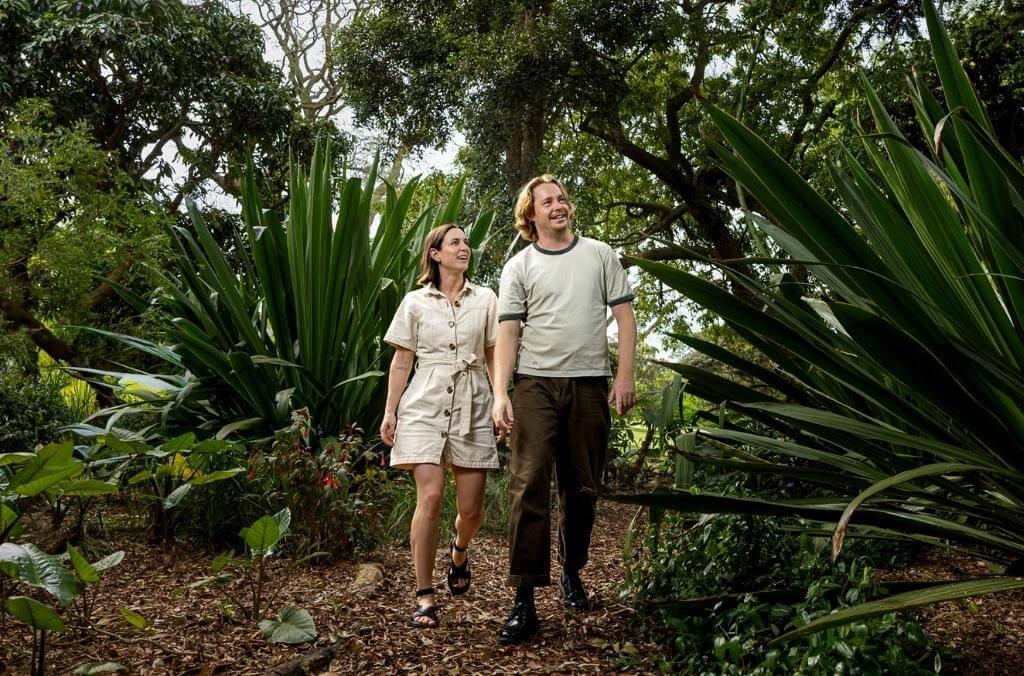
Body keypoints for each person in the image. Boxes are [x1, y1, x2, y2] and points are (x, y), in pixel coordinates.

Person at [491, 175, 637, 645]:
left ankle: (572, 570)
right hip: (534, 385)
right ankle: (524, 600)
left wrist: (625, 375)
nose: (558, 205)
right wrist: (500, 392)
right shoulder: (518, 267)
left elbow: (624, 318)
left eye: (562, 198)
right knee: (527, 485)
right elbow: (508, 333)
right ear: (530, 215)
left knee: (582, 490)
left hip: (590, 384)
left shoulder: (600, 254)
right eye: (547, 201)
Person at [380, 223, 501, 629]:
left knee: (471, 510)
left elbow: (492, 355)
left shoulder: (486, 299)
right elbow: (401, 361)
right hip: (424, 404)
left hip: (472, 403)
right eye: (455, 243)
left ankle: (460, 550)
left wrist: (502, 398)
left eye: (466, 242)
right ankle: (424, 596)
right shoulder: (415, 302)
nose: (464, 248)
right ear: (435, 253)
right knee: (429, 497)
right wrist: (390, 410)